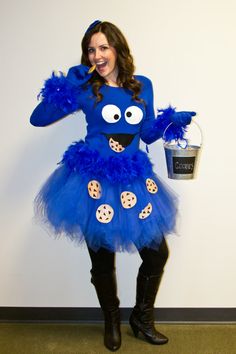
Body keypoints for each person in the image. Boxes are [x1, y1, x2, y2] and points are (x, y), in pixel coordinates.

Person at [30, 20, 196, 352]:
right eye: (91, 49)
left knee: (156, 254)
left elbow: (145, 133)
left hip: (133, 179)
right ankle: (110, 321)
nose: (97, 55)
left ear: (117, 48)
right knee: (102, 260)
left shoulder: (141, 85)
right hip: (93, 182)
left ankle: (142, 318)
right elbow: (39, 118)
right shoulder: (86, 88)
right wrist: (66, 84)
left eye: (103, 47)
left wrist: (167, 122)